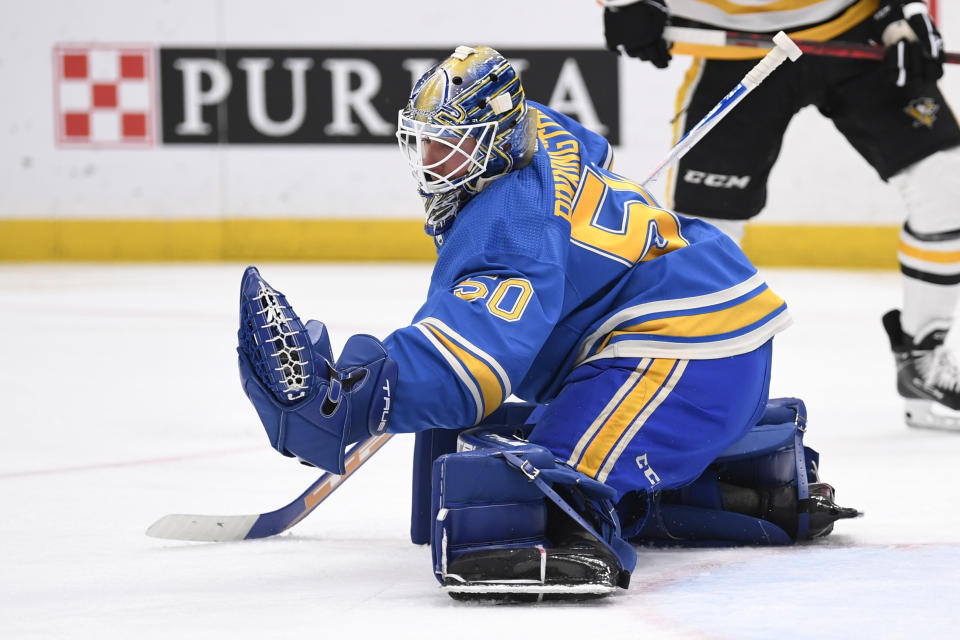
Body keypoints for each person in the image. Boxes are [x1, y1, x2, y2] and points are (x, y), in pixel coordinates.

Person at [235, 45, 858, 602]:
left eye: (450, 143)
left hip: (683, 354)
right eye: (424, 139)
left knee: (545, 492)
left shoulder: (510, 224)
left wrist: (355, 398)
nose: (430, 159)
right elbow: (591, 149)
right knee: (516, 451)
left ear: (494, 141)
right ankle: (759, 484)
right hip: (699, 331)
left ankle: (644, 517)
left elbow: (474, 366)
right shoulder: (539, 130)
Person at [601, 0, 960, 430]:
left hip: (856, 24)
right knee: (706, 228)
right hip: (735, 45)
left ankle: (923, 360)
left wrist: (901, 7)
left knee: (946, 187)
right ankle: (687, 376)